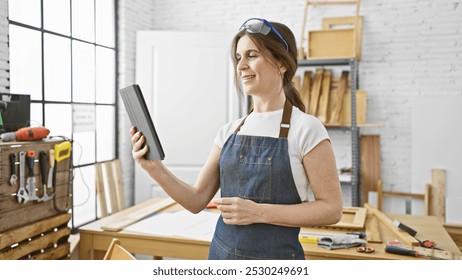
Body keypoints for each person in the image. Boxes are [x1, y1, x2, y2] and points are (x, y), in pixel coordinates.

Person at [130, 18, 343, 260]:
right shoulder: (229, 131)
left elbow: (331, 209)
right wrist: (154, 168)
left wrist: (259, 213)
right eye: (238, 58)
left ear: (282, 63)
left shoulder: (306, 128)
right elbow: (196, 200)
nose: (241, 66)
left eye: (252, 55)